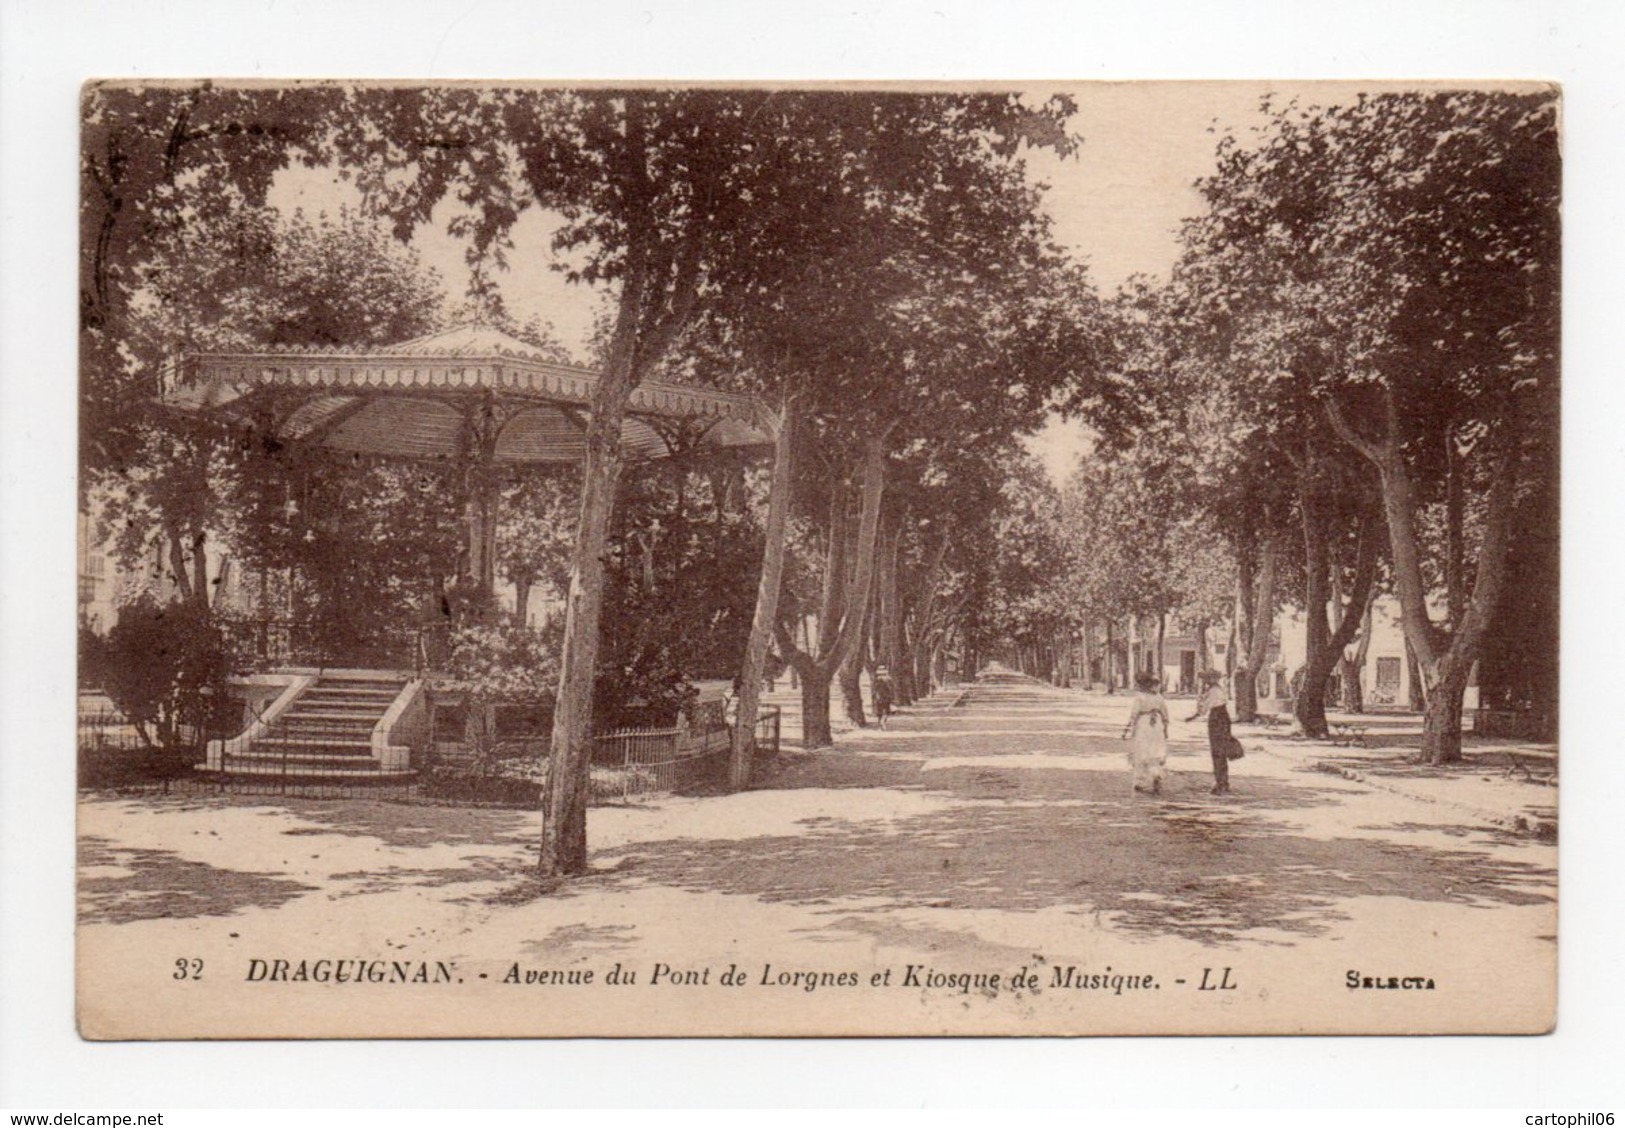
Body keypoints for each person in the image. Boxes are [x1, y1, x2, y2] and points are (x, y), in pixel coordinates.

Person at [1121, 672, 1169, 796]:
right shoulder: (1159, 697)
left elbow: (1135, 714)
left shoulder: (1140, 697)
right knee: (1155, 750)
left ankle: (1140, 781)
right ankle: (1156, 775)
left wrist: (1130, 727)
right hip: (1156, 724)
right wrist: (1165, 729)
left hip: (1143, 724)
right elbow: (1165, 714)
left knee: (1142, 751)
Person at [1187, 670, 1233, 795]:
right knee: (1221, 751)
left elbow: (1203, 708)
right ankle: (1223, 781)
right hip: (1224, 718)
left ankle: (1221, 783)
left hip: (1217, 718)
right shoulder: (1219, 689)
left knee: (1217, 751)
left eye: (1208, 679)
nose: (1206, 681)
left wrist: (1194, 716)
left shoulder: (1213, 691)